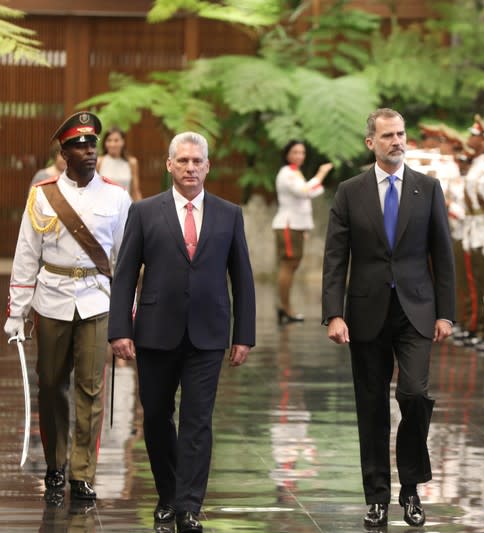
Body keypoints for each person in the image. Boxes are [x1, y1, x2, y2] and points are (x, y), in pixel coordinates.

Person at [108, 131, 256, 533]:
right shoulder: (144, 211)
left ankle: (189, 506)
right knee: (156, 417)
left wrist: (244, 335)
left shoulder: (229, 214)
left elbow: (242, 279)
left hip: (208, 334)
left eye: (197, 161)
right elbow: (123, 277)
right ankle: (167, 494)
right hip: (154, 333)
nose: (190, 168)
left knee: (198, 420)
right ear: (169, 165)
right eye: (183, 161)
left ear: (207, 166)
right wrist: (119, 328)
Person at [322, 108, 455, 528]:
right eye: (387, 136)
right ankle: (376, 496)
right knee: (371, 406)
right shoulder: (349, 192)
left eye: (401, 134)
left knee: (414, 396)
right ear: (371, 143)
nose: (397, 141)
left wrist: (446, 314)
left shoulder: (428, 188)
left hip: (417, 310)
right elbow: (335, 257)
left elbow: (443, 255)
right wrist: (333, 314)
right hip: (365, 312)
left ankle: (411, 489)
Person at [3, 111, 131, 502]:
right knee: (52, 385)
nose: (89, 151)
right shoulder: (42, 195)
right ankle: (55, 465)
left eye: (92, 144)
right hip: (52, 299)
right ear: (64, 152)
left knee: (90, 388)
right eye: (80, 145)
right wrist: (17, 313)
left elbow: (127, 260)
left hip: (97, 300)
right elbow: (27, 255)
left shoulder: (117, 196)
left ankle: (81, 472)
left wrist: (129, 314)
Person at [271, 140, 332, 324]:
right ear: (287, 154)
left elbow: (308, 193)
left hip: (296, 226)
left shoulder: (294, 172)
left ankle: (284, 307)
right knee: (288, 265)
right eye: (295, 152)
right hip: (289, 225)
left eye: (302, 152)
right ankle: (284, 308)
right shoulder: (287, 173)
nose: (299, 155)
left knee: (291, 265)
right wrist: (320, 175)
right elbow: (303, 192)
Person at [97, 126, 142, 200]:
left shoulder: (132, 163)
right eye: (109, 140)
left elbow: (135, 191)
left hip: (126, 207)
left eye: (116, 140)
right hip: (104, 208)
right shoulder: (99, 162)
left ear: (123, 142)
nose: (112, 144)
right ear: (105, 143)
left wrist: (141, 209)